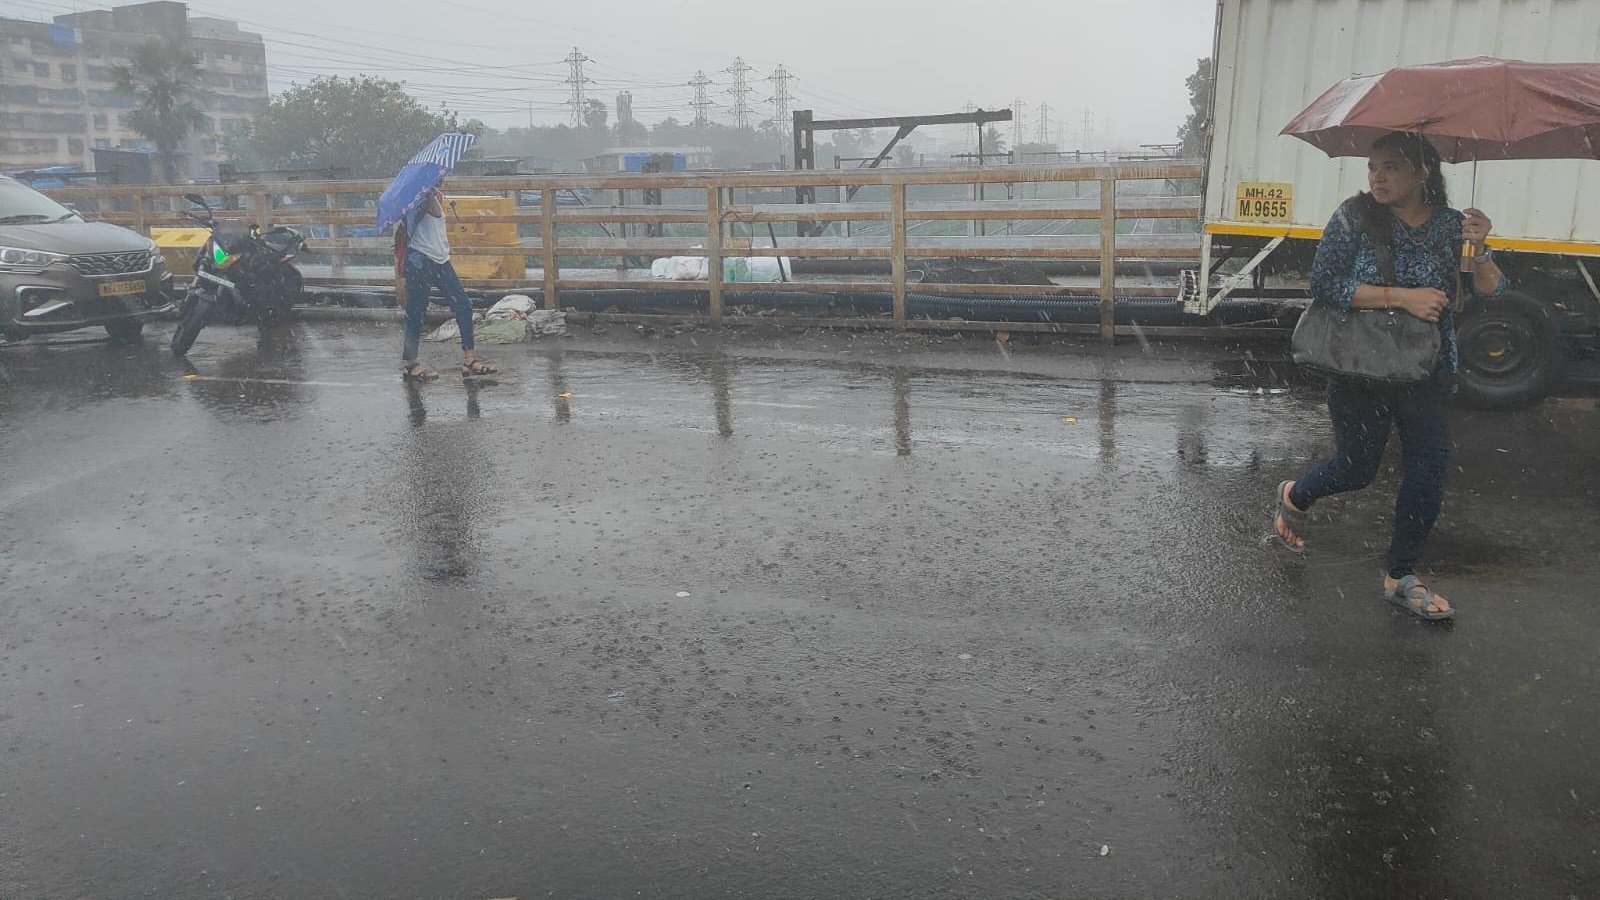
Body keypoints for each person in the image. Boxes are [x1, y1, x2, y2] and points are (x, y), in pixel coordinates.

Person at [1272, 131, 1507, 620]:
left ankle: (1400, 575)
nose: (1378, 176)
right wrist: (1403, 296)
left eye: (1392, 167)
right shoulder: (1353, 216)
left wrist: (1481, 249)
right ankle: (1296, 494)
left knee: (1428, 471)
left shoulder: (1450, 225)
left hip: (1427, 368)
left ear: (1423, 173)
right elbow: (1325, 284)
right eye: (1374, 166)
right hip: (1361, 367)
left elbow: (1494, 294)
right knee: (1358, 469)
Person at [398, 185, 497, 380]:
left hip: (440, 259)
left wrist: (434, 193)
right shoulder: (418, 199)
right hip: (421, 260)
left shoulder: (429, 195)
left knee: (463, 306)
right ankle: (411, 364)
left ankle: (470, 358)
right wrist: (428, 193)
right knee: (416, 311)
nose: (441, 180)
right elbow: (433, 214)